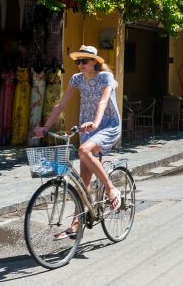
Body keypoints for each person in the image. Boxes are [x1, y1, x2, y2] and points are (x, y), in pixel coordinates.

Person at [34, 45, 122, 237]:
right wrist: (45, 127)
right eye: (78, 61)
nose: (80, 64)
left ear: (95, 62)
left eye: (84, 61)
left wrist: (96, 123)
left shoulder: (105, 78)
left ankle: (111, 189)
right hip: (86, 128)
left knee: (83, 150)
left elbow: (103, 102)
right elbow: (61, 104)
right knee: (84, 180)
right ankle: (76, 223)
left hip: (107, 125)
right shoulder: (77, 79)